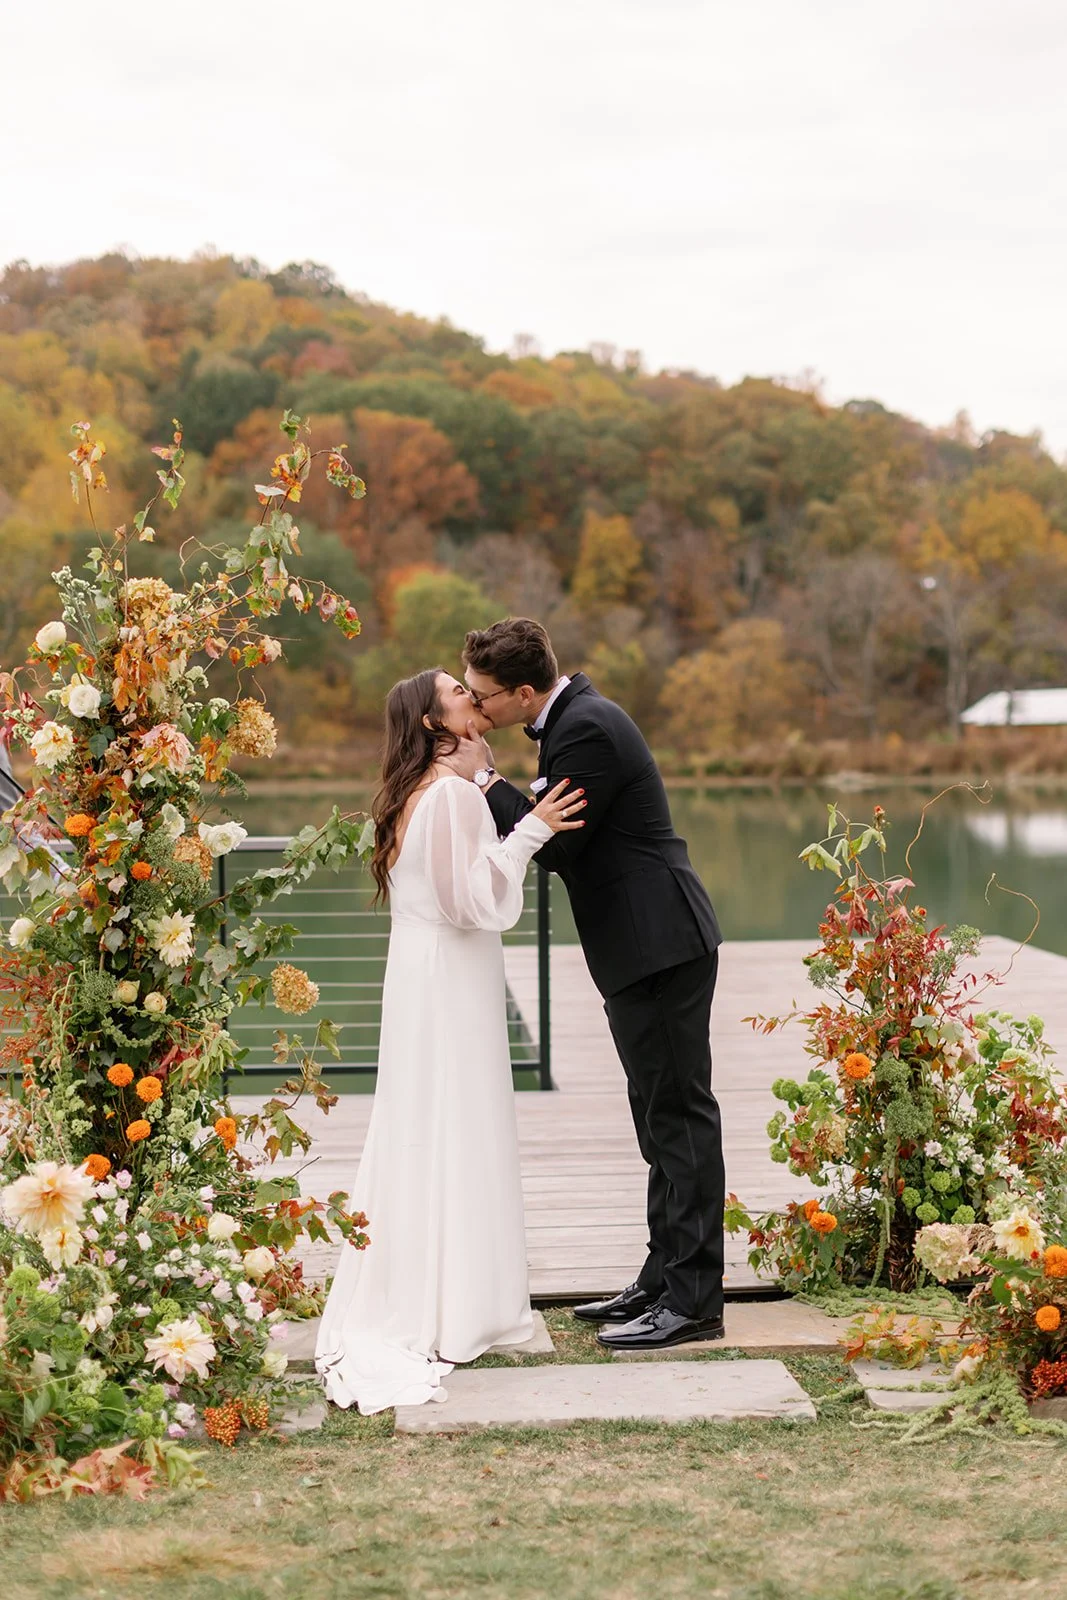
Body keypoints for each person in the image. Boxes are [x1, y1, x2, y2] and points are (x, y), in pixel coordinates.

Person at [315, 668, 585, 1413]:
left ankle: (449, 1290)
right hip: (450, 972)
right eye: (458, 694)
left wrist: (490, 783)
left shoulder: (426, 791)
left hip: (424, 971)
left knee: (431, 1122)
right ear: (437, 723)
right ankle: (458, 1304)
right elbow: (472, 905)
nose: (473, 698)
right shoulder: (452, 798)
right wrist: (531, 829)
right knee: (455, 1121)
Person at [457, 618, 725, 1351]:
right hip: (640, 947)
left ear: (521, 693)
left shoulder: (587, 730)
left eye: (482, 699)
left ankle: (695, 1300)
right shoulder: (573, 723)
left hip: (660, 942)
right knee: (655, 1116)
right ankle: (663, 1275)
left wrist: (484, 780)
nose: (476, 712)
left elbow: (557, 846)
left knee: (679, 1117)